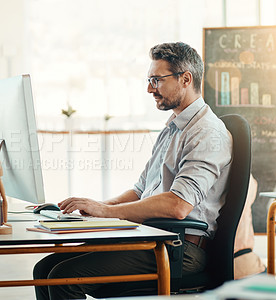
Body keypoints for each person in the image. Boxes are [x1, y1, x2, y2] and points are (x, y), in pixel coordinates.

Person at [33, 42, 233, 299]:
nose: (150, 89)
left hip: (180, 251)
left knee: (63, 278)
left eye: (156, 80)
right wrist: (95, 208)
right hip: (153, 239)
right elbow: (140, 191)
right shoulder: (173, 127)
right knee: (45, 268)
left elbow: (178, 206)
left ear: (185, 79)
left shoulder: (207, 133)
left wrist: (107, 212)